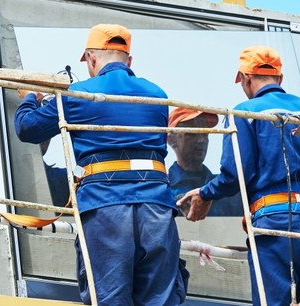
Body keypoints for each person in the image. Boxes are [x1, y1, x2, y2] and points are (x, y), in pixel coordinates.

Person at [14, 24, 185, 305]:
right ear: (129, 60)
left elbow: (27, 128)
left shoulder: (79, 94)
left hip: (106, 205)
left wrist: (32, 96)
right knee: (159, 298)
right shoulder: (157, 94)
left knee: (109, 297)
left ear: (91, 59)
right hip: (156, 206)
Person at [177, 45, 300, 306]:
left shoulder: (244, 113)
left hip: (274, 227)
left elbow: (235, 173)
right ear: (280, 78)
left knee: (273, 301)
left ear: (245, 78)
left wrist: (205, 194)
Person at [166, 108, 243, 217]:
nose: (201, 140)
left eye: (205, 134)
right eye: (192, 133)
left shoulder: (228, 188)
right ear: (171, 140)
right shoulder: (163, 189)